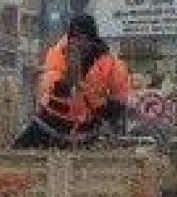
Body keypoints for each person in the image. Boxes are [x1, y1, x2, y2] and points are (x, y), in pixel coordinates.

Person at [16, 14, 131, 148]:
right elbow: (50, 83)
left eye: (83, 38)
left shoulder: (111, 64)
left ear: (92, 40)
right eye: (74, 38)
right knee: (14, 154)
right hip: (48, 125)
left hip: (86, 133)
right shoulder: (57, 53)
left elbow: (120, 97)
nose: (78, 43)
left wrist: (106, 109)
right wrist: (68, 79)